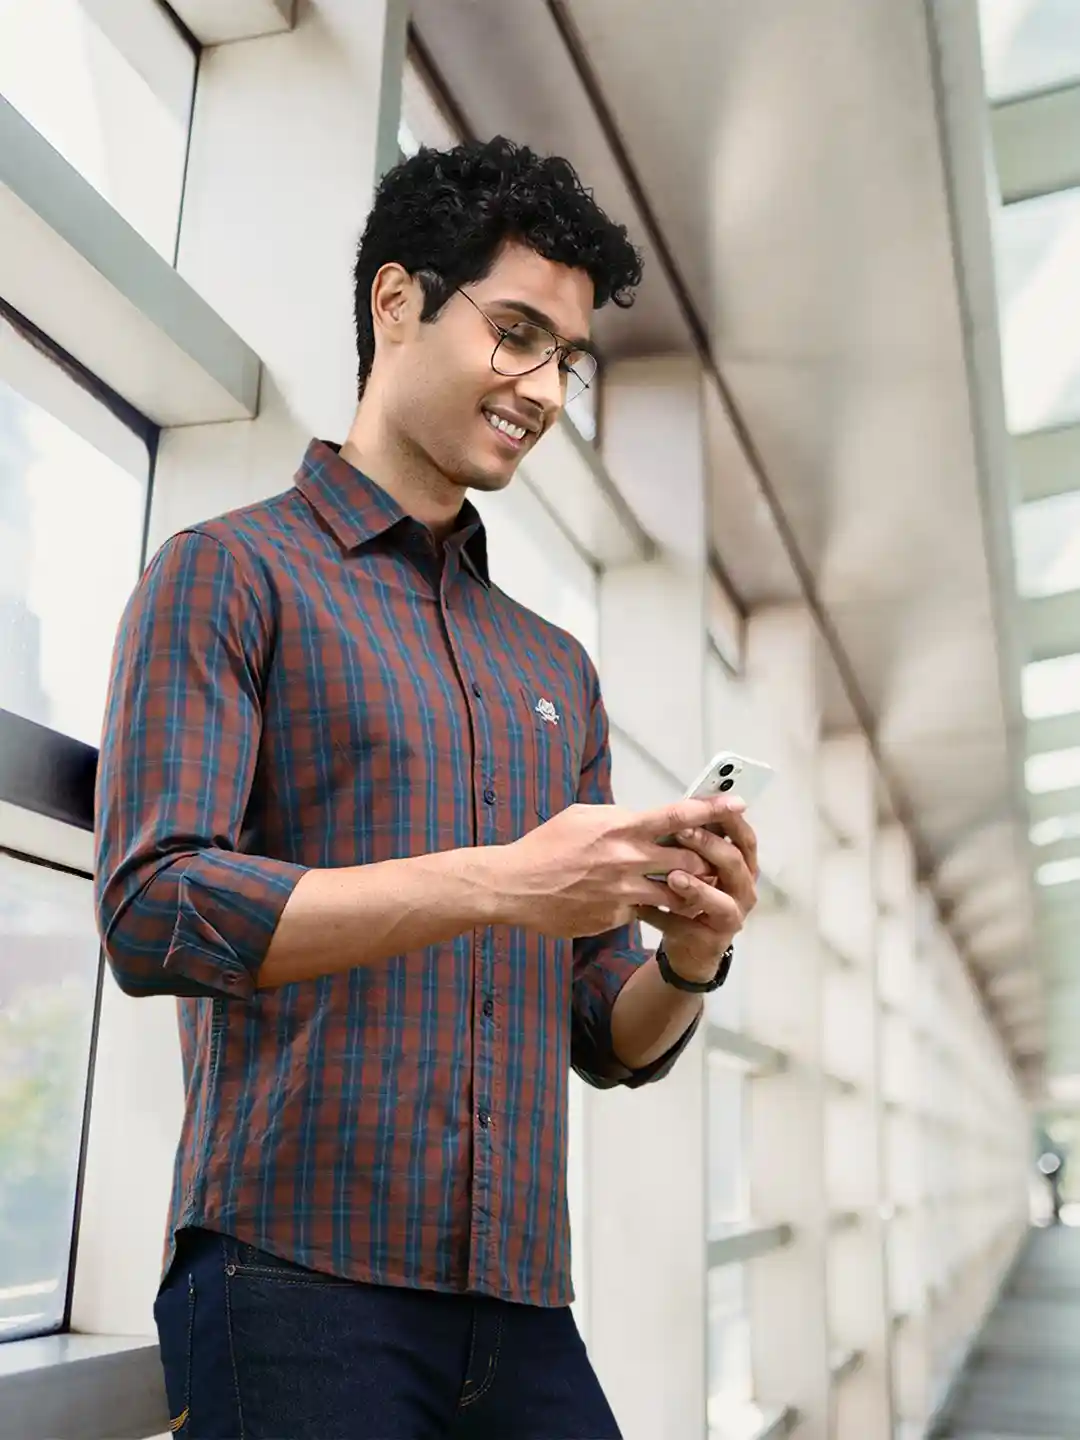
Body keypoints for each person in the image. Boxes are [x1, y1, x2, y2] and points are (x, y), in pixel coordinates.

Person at [94, 137, 759, 1440]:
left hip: (520, 1308)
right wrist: (502, 884)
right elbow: (154, 907)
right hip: (293, 1281)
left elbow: (594, 1031)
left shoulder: (554, 666)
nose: (543, 390)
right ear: (396, 303)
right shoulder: (230, 576)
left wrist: (687, 957)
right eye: (514, 334)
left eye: (564, 360)